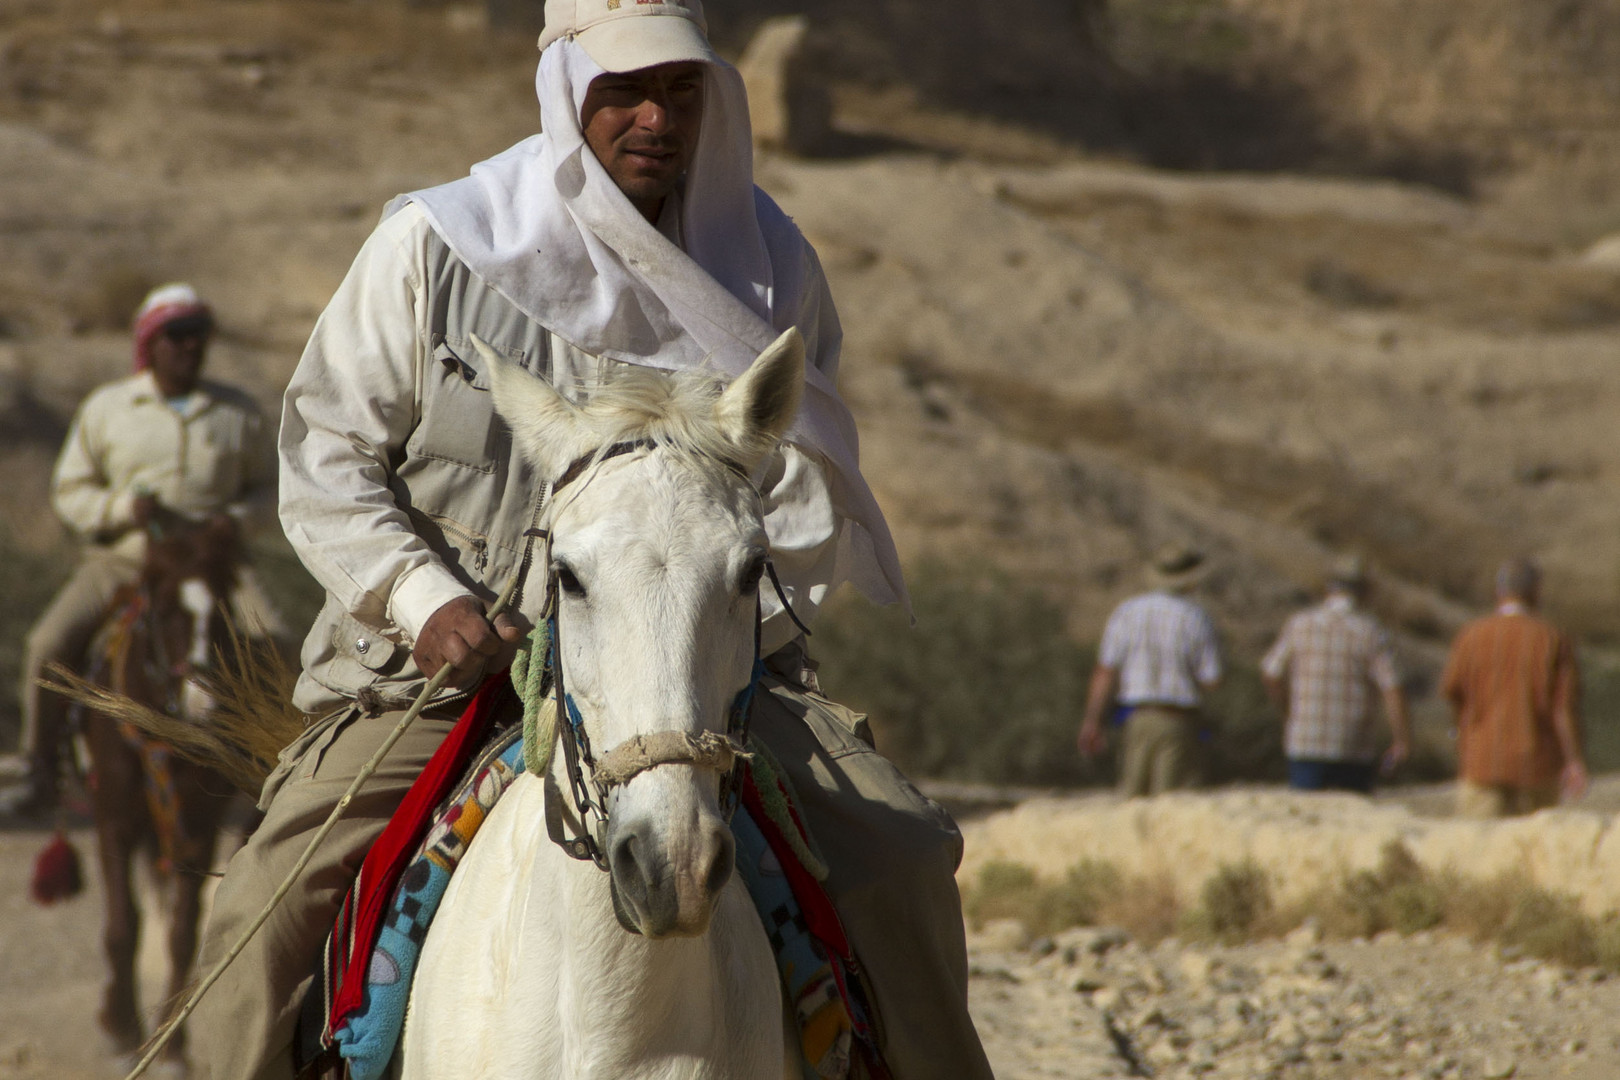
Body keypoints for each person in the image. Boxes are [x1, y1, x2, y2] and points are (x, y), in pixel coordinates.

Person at [193, 3, 992, 1077]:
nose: (656, 116)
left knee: (902, 862)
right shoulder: (434, 245)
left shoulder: (768, 268)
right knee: (260, 917)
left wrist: (711, 611)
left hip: (698, 684)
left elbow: (802, 495)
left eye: (682, 89)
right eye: (623, 90)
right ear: (567, 91)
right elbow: (325, 453)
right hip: (434, 681)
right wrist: (427, 601)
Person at [1, 284, 280, 817]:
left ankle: (278, 770)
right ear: (150, 342)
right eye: (176, 335)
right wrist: (124, 509)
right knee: (47, 643)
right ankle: (40, 770)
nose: (189, 346)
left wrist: (237, 520)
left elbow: (271, 489)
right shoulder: (107, 408)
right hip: (126, 558)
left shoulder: (237, 412)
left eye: (199, 334)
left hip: (215, 562)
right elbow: (70, 491)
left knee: (281, 639)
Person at [1442, 557, 1586, 818]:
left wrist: (1462, 736)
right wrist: (1574, 760)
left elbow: (1453, 693)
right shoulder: (1552, 638)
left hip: (1481, 761)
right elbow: (1563, 708)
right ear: (1535, 592)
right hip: (1537, 764)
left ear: (1499, 592)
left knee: (1479, 848)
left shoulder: (1470, 636)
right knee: (1532, 852)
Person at [1079, 542, 1223, 797]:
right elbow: (1212, 680)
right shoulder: (1196, 617)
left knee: (1132, 801)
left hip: (1136, 717)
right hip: (1178, 720)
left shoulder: (1126, 612)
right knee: (1170, 802)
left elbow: (1105, 671)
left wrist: (1092, 721)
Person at [1261, 556, 1410, 794]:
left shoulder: (1299, 624)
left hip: (1305, 742)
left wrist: (1288, 712)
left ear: (1327, 586)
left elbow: (1271, 673)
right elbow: (1392, 687)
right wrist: (1401, 740)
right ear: (1364, 590)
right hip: (1353, 745)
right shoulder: (1371, 631)